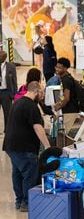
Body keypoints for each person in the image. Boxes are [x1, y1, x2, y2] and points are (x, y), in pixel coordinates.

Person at [3, 81, 50, 212]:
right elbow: (37, 127)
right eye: (41, 93)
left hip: (11, 145)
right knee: (30, 172)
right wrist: (47, 146)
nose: (42, 96)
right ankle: (27, 202)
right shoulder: (31, 106)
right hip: (24, 146)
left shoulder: (18, 102)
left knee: (17, 173)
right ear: (35, 91)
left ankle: (19, 201)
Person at [54, 57, 79, 130]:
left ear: (65, 68)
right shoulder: (68, 77)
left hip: (70, 112)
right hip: (72, 110)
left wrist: (58, 107)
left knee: (68, 133)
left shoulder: (66, 80)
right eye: (56, 67)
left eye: (59, 68)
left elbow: (66, 98)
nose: (57, 69)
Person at [0, 50, 18, 133]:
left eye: (2, 57)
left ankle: (7, 130)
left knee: (7, 112)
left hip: (6, 92)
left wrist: (15, 94)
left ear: (5, 58)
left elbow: (14, 80)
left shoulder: (11, 66)